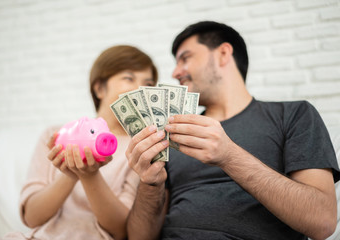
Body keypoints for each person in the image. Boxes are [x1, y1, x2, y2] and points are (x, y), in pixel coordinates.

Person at [125, 21, 340, 240]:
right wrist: (150, 184)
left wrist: (229, 155)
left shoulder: (294, 115)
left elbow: (322, 221)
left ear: (223, 53)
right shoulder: (172, 131)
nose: (175, 72)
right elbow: (139, 237)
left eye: (185, 58)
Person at [0, 45, 158, 240]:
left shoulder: (142, 148)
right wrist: (70, 174)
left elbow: (122, 230)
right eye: (128, 78)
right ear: (99, 88)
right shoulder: (55, 136)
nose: (139, 89)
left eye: (148, 85)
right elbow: (31, 217)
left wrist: (90, 176)